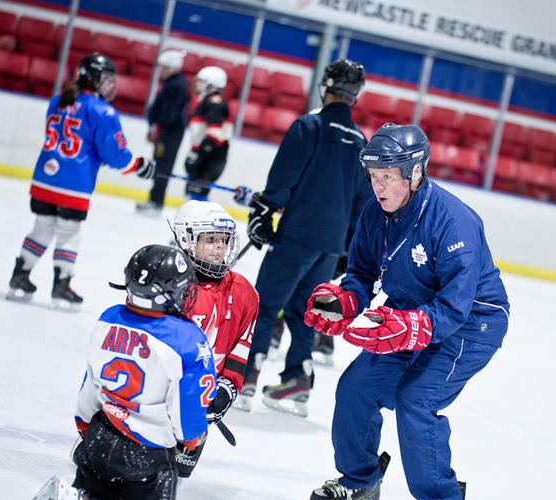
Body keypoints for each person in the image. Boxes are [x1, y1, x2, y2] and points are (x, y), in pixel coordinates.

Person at [304, 124, 509, 499]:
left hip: (471, 325)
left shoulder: (453, 221)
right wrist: (346, 301)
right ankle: (360, 480)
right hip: (410, 315)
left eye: (387, 177)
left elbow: (454, 307)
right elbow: (362, 274)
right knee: (355, 389)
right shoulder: (373, 214)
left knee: (416, 398)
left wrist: (412, 325)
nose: (378, 187)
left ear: (415, 173)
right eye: (373, 177)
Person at [232, 59, 371, 416]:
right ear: (356, 96)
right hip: (331, 244)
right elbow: (362, 202)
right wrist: (348, 248)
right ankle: (298, 380)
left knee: (265, 306)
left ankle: (245, 378)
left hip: (297, 235)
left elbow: (284, 177)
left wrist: (264, 211)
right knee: (304, 310)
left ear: (326, 85)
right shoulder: (360, 142)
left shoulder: (309, 126)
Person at [7, 52, 155, 308]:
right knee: (69, 234)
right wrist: (138, 166)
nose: (110, 84)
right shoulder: (102, 111)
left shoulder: (57, 100)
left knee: (41, 227)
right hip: (73, 187)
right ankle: (61, 286)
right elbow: (116, 155)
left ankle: (20, 276)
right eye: (106, 78)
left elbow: (82, 142)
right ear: (94, 78)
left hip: (43, 180)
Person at [71, 244, 216, 499]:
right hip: (147, 453)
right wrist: (191, 437)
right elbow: (187, 405)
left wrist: (84, 423)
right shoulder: (187, 339)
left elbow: (91, 381)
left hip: (100, 436)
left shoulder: (109, 318)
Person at [171, 199, 259, 476]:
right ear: (186, 239)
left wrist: (225, 389)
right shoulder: (167, 282)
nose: (219, 247)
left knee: (175, 476)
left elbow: (241, 347)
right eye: (210, 239)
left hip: (198, 403)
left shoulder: (245, 292)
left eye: (223, 240)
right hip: (152, 396)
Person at [136, 49, 190, 217]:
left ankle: (156, 201)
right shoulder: (173, 83)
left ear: (173, 67)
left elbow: (169, 112)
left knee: (163, 167)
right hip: (166, 131)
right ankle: (154, 199)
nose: (162, 70)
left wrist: (159, 128)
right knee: (160, 165)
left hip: (169, 133)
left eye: (165, 67)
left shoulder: (176, 85)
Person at [184, 66, 231, 201]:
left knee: (198, 194)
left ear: (211, 85)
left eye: (201, 81)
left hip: (210, 157)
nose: (197, 84)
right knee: (195, 193)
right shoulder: (206, 101)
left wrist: (198, 154)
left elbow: (215, 135)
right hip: (207, 155)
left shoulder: (213, 102)